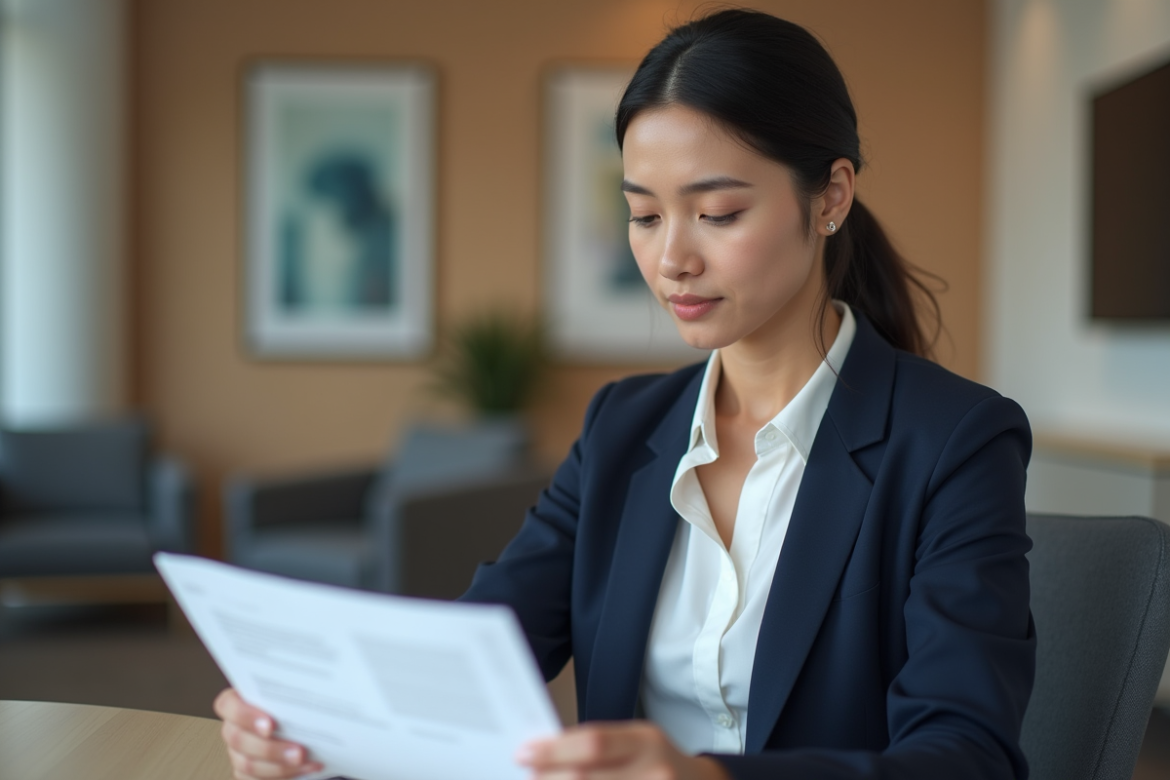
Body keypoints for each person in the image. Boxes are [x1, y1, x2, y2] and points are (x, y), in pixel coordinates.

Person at [215, 9, 1034, 780]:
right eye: (644, 217)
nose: (672, 259)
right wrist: (312, 717)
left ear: (831, 198)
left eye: (718, 213)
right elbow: (483, 645)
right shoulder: (623, 425)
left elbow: (966, 755)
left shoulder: (954, 441)